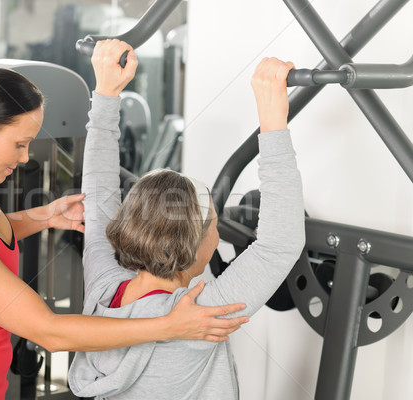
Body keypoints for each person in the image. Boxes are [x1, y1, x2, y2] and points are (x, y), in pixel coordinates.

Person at [0, 66, 250, 399]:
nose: (24, 157)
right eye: (20, 143)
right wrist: (169, 326)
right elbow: (49, 331)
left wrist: (44, 216)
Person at [67, 40, 305, 400]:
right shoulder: (197, 318)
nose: (218, 229)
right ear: (195, 247)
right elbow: (278, 246)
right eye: (213, 223)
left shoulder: (103, 286)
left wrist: (106, 93)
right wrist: (273, 120)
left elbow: (99, 192)